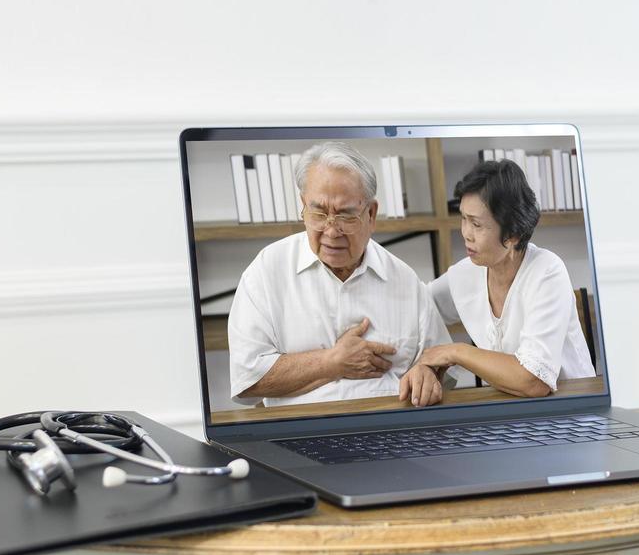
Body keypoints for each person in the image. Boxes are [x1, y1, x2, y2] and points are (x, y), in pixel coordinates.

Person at [227, 141, 452, 408]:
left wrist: (427, 372)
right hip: (302, 430)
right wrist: (332, 362)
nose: (331, 231)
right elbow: (247, 379)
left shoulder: (404, 278)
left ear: (371, 214)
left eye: (345, 216)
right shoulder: (267, 270)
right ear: (303, 206)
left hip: (390, 431)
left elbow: (441, 364)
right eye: (319, 213)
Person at [415, 159, 594, 398]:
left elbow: (534, 381)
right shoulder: (464, 274)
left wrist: (457, 352)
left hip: (570, 413)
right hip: (509, 412)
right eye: (463, 218)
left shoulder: (547, 272)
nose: (466, 233)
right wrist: (423, 366)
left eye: (477, 224)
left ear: (512, 235)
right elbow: (416, 307)